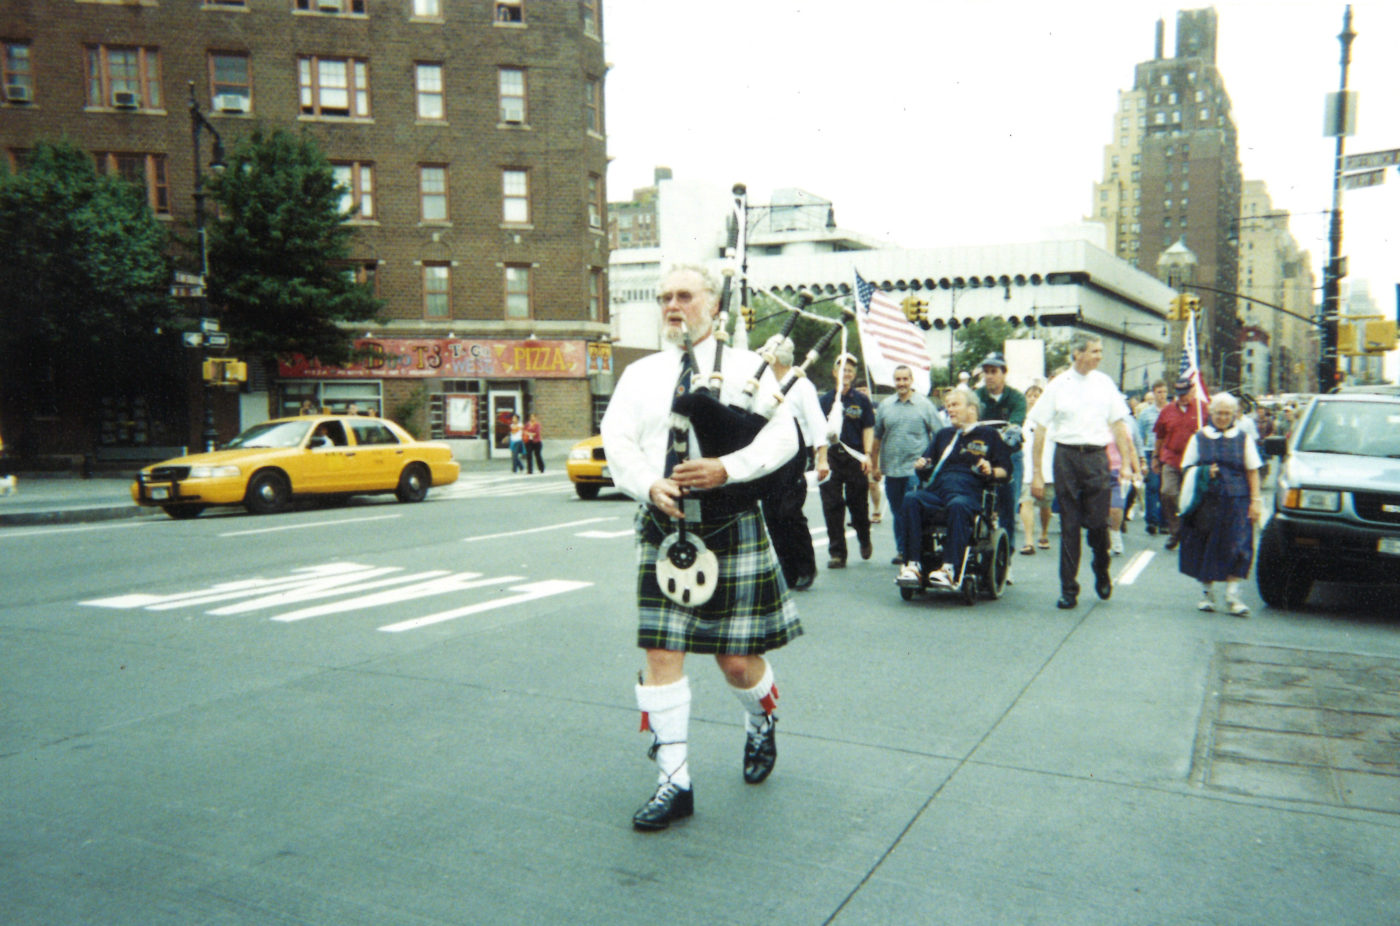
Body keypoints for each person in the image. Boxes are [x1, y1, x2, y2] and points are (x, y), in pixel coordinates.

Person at [600, 264, 802, 832]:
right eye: (665, 297)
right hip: (665, 529)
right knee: (662, 656)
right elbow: (618, 441)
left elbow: (784, 437)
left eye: (684, 296)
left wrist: (726, 467)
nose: (672, 306)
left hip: (729, 519)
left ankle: (761, 720)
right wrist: (649, 484)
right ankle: (673, 780)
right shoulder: (640, 374)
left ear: (713, 306)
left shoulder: (748, 369)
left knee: (736, 661)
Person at [1029, 335, 1140, 609]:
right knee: (1069, 526)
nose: (1100, 356)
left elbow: (1118, 426)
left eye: (1100, 350)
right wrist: (1038, 473)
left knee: (1097, 525)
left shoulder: (1105, 384)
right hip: (1066, 457)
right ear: (1077, 353)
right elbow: (1040, 429)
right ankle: (1069, 589)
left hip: (1096, 459)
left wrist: (1125, 463)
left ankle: (1101, 567)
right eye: (1094, 351)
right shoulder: (1058, 385)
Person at [895, 387, 1010, 588]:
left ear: (972, 409)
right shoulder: (943, 435)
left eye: (955, 405)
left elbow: (1006, 471)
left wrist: (990, 470)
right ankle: (912, 565)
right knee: (911, 499)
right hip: (938, 491)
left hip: (968, 491)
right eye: (948, 406)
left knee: (958, 505)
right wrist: (922, 467)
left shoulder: (989, 435)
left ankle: (949, 569)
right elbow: (926, 470)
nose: (950, 410)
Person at [1177, 393, 1264, 616]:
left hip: (1237, 500)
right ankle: (1207, 594)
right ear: (1210, 413)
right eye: (1219, 413)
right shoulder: (1199, 437)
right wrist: (1205, 472)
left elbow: (1252, 471)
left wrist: (1255, 501)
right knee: (1205, 543)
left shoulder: (1243, 438)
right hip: (1207, 501)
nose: (1223, 417)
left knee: (1237, 545)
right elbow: (1186, 468)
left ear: (1234, 414)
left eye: (1228, 413)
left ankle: (1233, 596)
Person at [759, 334, 827, 592]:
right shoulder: (765, 384)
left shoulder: (801, 385)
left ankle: (805, 567)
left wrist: (822, 458)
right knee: (772, 514)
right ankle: (786, 571)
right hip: (770, 453)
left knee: (789, 511)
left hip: (796, 454)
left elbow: (817, 422)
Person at [870, 364, 940, 565]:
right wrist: (875, 466)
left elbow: (939, 435)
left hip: (915, 470)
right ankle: (902, 551)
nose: (901, 383)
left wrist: (930, 462)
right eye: (898, 379)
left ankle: (916, 551)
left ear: (911, 381)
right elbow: (877, 438)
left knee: (913, 511)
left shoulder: (924, 405)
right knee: (897, 512)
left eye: (905, 379)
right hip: (892, 470)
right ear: (894, 382)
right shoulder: (885, 405)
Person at [818, 354, 875, 568]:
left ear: (854, 375)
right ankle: (837, 553)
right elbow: (817, 432)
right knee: (832, 505)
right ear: (835, 373)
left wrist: (868, 454)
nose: (846, 374)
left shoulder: (861, 401)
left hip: (855, 457)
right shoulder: (825, 401)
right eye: (842, 369)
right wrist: (819, 459)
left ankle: (864, 537)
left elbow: (868, 428)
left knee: (858, 504)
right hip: (832, 457)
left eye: (850, 370)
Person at [974, 352, 1027, 557]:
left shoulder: (1016, 398)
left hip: (1009, 457)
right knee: (976, 502)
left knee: (1008, 507)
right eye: (986, 372)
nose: (989, 376)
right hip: (982, 456)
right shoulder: (977, 397)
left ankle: (1006, 557)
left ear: (1004, 373)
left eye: (994, 371)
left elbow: (1014, 427)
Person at [1153, 379, 1202, 552]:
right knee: (1168, 493)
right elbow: (1159, 436)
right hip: (1171, 458)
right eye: (1179, 394)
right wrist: (1155, 457)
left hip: (1194, 461)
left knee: (1191, 499)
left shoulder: (1202, 409)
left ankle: (1191, 531)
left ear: (1192, 391)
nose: (1182, 398)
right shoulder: (1167, 411)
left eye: (1186, 394)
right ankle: (1176, 531)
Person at [1136, 380, 1168, 535]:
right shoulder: (1146, 414)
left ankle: (1164, 521)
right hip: (1150, 452)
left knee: (1166, 489)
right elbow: (1139, 436)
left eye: (1164, 392)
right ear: (1154, 394)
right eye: (1159, 392)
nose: (1162, 395)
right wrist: (1141, 457)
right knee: (1152, 486)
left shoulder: (1171, 411)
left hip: (1167, 453)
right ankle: (1152, 521)